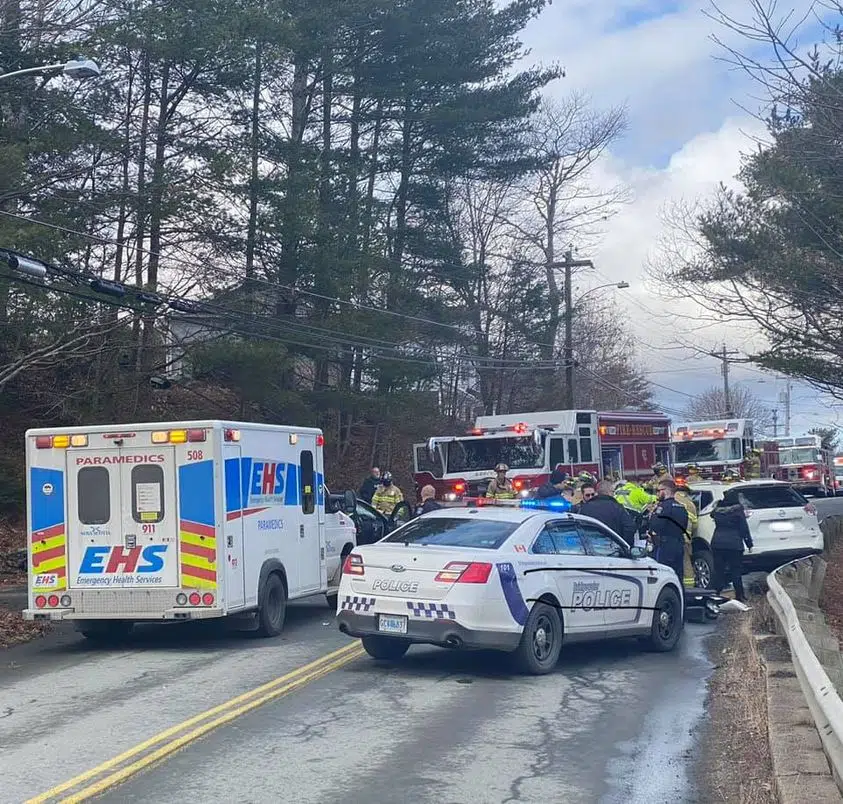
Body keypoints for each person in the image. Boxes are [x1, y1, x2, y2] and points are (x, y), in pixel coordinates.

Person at [711, 496, 753, 603]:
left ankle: (715, 595)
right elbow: (744, 528)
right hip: (734, 545)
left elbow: (712, 515)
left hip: (718, 544)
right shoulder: (738, 512)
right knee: (736, 571)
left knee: (719, 571)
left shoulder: (717, 512)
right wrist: (749, 544)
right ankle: (740, 596)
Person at [646, 479, 689, 584]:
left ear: (666, 491)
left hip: (664, 545)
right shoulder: (681, 507)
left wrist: (652, 516)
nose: (657, 493)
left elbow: (655, 525)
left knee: (663, 575)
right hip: (678, 544)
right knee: (678, 576)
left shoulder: (663, 506)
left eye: (658, 490)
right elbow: (684, 525)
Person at [579, 480, 637, 546]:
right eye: (613, 492)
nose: (613, 494)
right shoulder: (617, 507)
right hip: (614, 549)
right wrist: (625, 546)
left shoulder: (585, 508)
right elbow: (629, 527)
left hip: (593, 548)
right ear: (609, 492)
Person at [674, 478, 699, 587]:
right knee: (686, 563)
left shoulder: (670, 499)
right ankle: (689, 588)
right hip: (685, 539)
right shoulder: (691, 504)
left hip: (669, 538)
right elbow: (695, 525)